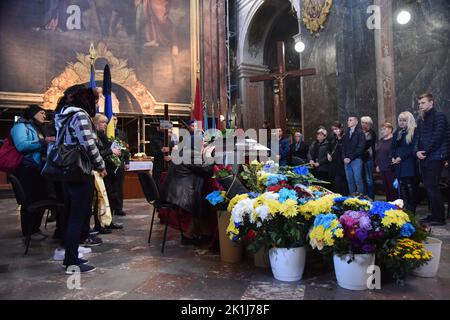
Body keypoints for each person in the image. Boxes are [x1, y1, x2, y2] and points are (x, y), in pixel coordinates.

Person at [55, 87, 106, 273]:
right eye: (95, 100)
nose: (96, 104)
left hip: (67, 170)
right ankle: (71, 261)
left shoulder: (63, 115)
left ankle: (69, 255)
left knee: (71, 215)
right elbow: (89, 145)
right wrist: (101, 165)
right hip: (80, 170)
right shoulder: (80, 116)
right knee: (78, 216)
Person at [10, 105, 56, 236]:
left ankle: (36, 228)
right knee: (29, 200)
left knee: (41, 198)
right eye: (41, 113)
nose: (44, 115)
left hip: (39, 168)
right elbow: (21, 146)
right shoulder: (20, 126)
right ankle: (28, 231)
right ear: (33, 113)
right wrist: (43, 142)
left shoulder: (39, 128)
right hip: (26, 167)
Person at [415, 92, 450, 225]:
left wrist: (425, 152)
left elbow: (438, 137)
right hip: (424, 157)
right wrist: (417, 151)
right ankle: (434, 214)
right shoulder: (421, 119)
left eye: (423, 103)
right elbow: (418, 138)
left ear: (431, 102)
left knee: (432, 187)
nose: (420, 105)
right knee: (428, 187)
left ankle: (439, 217)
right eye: (419, 104)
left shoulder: (439, 117)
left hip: (436, 156)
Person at [92, 114, 124, 233]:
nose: (106, 125)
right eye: (102, 122)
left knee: (109, 196)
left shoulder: (102, 136)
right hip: (99, 170)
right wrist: (111, 150)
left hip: (107, 169)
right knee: (100, 199)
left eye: (106, 122)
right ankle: (99, 224)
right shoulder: (93, 136)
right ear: (95, 123)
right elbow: (97, 153)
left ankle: (107, 221)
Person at [391, 113, 418, 214]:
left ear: (409, 121)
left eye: (404, 120)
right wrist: (393, 157)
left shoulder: (413, 131)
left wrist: (401, 158)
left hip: (408, 163)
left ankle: (411, 210)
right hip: (398, 164)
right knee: (401, 186)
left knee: (409, 187)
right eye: (400, 120)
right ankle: (404, 208)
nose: (401, 122)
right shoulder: (397, 132)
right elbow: (392, 147)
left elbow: (412, 149)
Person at [110, 116, 130, 216]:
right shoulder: (105, 133)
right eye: (112, 119)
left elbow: (125, 149)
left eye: (116, 119)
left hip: (119, 162)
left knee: (119, 187)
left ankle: (118, 208)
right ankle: (109, 209)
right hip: (108, 163)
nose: (114, 121)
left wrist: (127, 162)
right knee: (110, 187)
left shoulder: (122, 134)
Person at [342, 116, 366, 195]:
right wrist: (344, 157)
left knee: (358, 180)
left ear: (356, 122)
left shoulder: (360, 133)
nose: (348, 122)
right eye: (348, 120)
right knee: (350, 181)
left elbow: (360, 147)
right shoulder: (346, 133)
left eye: (350, 120)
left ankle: (361, 199)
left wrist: (350, 158)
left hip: (356, 159)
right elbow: (344, 147)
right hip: (347, 161)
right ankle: (352, 200)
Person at [375, 122, 396, 202]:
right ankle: (388, 204)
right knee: (386, 188)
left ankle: (395, 205)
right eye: (381, 130)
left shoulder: (393, 140)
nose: (382, 131)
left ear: (390, 130)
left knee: (392, 188)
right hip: (382, 166)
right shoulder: (381, 141)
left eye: (384, 129)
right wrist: (377, 164)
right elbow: (378, 153)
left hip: (390, 167)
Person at [327, 121, 348, 195]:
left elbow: (345, 147)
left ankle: (343, 195)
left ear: (340, 128)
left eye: (336, 129)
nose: (334, 131)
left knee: (341, 180)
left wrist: (339, 137)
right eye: (333, 129)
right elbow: (329, 147)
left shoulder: (345, 136)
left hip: (341, 161)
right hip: (334, 162)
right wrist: (328, 154)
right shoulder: (332, 137)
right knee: (334, 180)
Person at [361, 116, 376, 200]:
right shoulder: (359, 132)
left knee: (369, 179)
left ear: (370, 124)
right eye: (363, 123)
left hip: (368, 158)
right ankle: (364, 197)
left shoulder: (371, 133)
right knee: (362, 179)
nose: (364, 125)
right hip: (360, 158)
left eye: (366, 123)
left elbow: (366, 145)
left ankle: (371, 197)